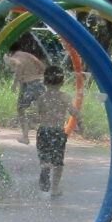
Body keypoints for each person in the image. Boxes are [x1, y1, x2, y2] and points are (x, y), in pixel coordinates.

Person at [31, 65, 83, 197]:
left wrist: (34, 121)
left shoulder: (41, 98)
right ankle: (55, 189)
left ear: (44, 82)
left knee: (44, 156)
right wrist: (81, 125)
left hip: (43, 131)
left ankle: (45, 168)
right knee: (58, 162)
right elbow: (74, 112)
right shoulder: (65, 97)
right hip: (58, 132)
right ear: (62, 82)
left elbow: (35, 115)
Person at [4, 39, 47, 144]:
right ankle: (46, 135)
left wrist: (15, 84)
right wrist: (39, 76)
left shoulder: (14, 57)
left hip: (27, 85)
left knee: (20, 109)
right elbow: (42, 66)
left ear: (9, 50)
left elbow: (19, 65)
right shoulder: (28, 55)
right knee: (43, 111)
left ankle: (25, 137)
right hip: (39, 83)